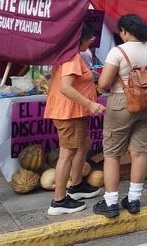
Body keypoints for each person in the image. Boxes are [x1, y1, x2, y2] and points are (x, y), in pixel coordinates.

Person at [95, 14, 147, 217]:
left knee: (112, 154)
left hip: (121, 103)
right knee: (139, 152)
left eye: (121, 32)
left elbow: (103, 84)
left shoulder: (118, 52)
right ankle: (134, 199)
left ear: (126, 31)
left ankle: (111, 203)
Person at [44, 22, 105, 215]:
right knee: (67, 154)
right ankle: (59, 201)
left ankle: (77, 186)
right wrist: (90, 104)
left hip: (74, 113)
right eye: (89, 39)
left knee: (83, 145)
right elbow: (66, 87)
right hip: (69, 113)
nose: (91, 41)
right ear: (82, 40)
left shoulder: (70, 55)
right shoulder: (71, 58)